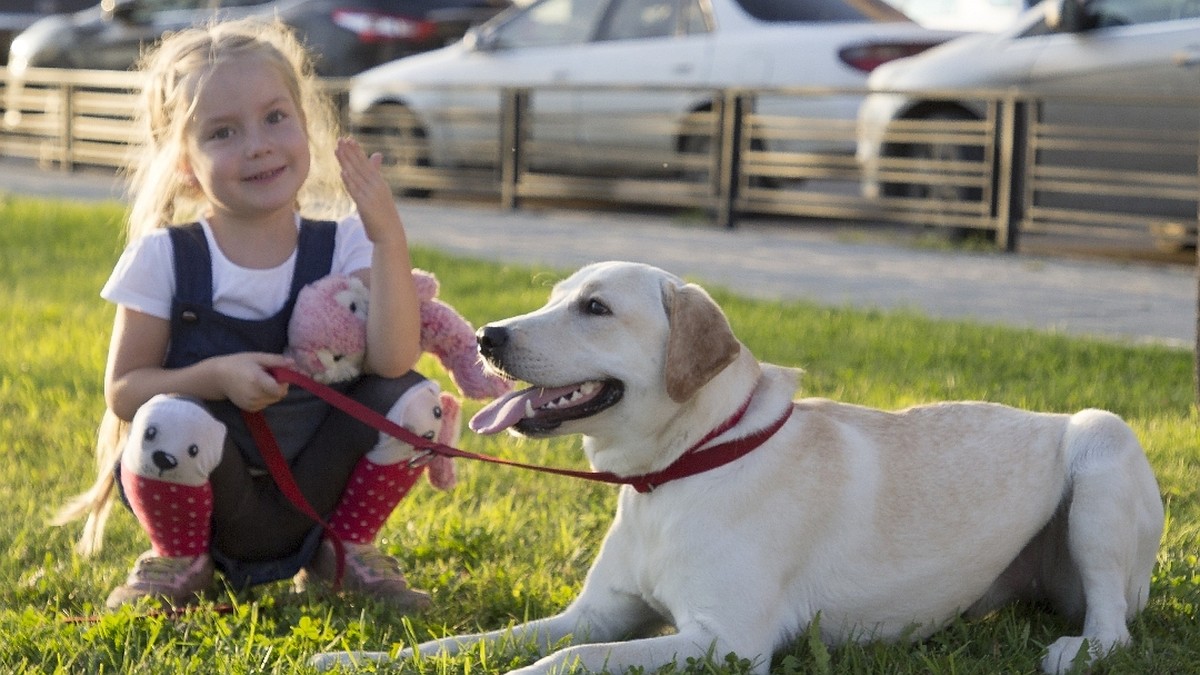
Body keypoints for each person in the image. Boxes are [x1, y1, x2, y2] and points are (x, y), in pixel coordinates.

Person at [53, 17, 455, 611]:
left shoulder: (344, 242)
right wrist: (215, 377)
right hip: (214, 495)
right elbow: (125, 391)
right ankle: (183, 564)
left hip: (319, 489)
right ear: (184, 163)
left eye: (275, 117)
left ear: (305, 125)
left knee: (418, 399)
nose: (258, 144)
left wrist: (387, 239)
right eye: (222, 132)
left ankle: (343, 552)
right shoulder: (166, 256)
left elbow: (392, 362)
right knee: (167, 418)